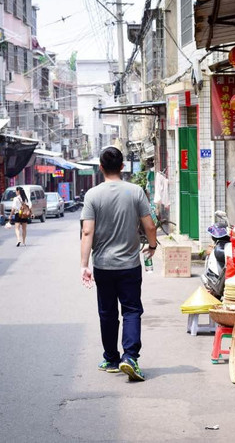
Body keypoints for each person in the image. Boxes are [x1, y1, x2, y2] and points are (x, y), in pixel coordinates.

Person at [80, 147, 157, 381]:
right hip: (129, 265)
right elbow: (150, 226)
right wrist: (152, 246)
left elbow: (87, 232)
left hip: (103, 265)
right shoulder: (135, 191)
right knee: (132, 310)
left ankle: (111, 359)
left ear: (101, 167)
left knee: (107, 313)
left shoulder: (92, 195)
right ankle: (130, 357)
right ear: (122, 167)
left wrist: (84, 265)